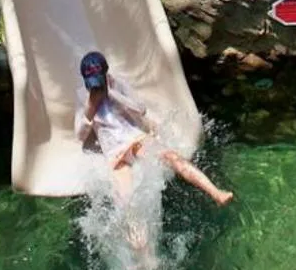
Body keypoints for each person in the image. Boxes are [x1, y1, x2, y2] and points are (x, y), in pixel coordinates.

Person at [77, 51, 233, 208]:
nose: (97, 88)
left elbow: (141, 109)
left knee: (173, 157)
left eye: (99, 83)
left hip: (137, 140)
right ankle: (133, 224)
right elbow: (80, 135)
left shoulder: (118, 85)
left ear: (106, 74)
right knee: (126, 201)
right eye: (93, 84)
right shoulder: (85, 99)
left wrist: (112, 95)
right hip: (115, 155)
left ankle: (216, 193)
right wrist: (91, 106)